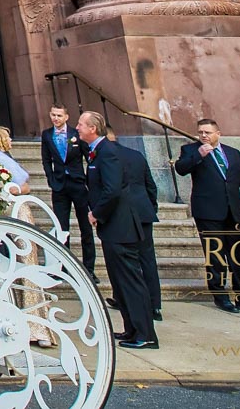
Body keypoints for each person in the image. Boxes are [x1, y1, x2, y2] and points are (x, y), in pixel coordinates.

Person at [175, 117, 240, 314]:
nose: (203, 135)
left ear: (217, 134)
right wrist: (199, 156)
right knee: (216, 256)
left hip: (232, 212)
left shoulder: (233, 154)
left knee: (236, 256)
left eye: (207, 132)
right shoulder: (191, 151)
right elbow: (181, 169)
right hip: (208, 212)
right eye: (200, 132)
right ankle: (220, 296)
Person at [81, 111, 158, 348]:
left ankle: (145, 334)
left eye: (81, 124)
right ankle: (132, 329)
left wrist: (96, 213)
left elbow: (112, 190)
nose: (78, 127)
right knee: (120, 281)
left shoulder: (108, 153)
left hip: (121, 226)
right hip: (113, 227)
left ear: (93, 128)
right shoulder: (98, 152)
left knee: (130, 281)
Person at [40, 104, 96, 281]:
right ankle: (62, 267)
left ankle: (88, 268)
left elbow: (89, 157)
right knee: (61, 227)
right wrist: (51, 179)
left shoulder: (75, 133)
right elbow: (46, 159)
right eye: (53, 115)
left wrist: (88, 180)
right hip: (59, 185)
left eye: (59, 115)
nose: (55, 118)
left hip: (78, 184)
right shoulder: (47, 135)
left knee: (85, 227)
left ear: (66, 117)